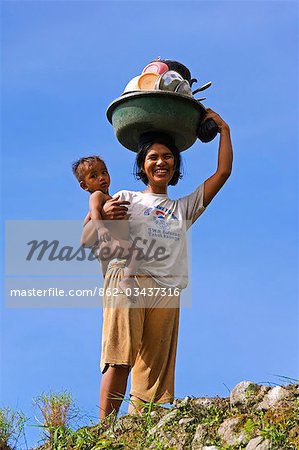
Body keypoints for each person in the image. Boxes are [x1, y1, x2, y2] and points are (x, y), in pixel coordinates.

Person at [82, 108, 233, 419]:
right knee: (119, 357)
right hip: (129, 279)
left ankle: (137, 432)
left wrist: (224, 130)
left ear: (175, 164)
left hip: (167, 290)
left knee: (153, 373)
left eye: (167, 156)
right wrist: (106, 217)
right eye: (153, 157)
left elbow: (223, 173)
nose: (161, 161)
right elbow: (86, 237)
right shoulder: (126, 198)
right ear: (143, 166)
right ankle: (104, 430)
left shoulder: (183, 208)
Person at [72, 156, 140, 294]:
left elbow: (88, 219)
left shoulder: (109, 199)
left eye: (104, 172)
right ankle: (127, 280)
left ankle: (112, 285)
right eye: (94, 176)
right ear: (84, 185)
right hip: (111, 243)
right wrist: (101, 228)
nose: (101, 178)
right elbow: (94, 212)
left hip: (112, 246)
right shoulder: (97, 195)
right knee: (136, 252)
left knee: (107, 275)